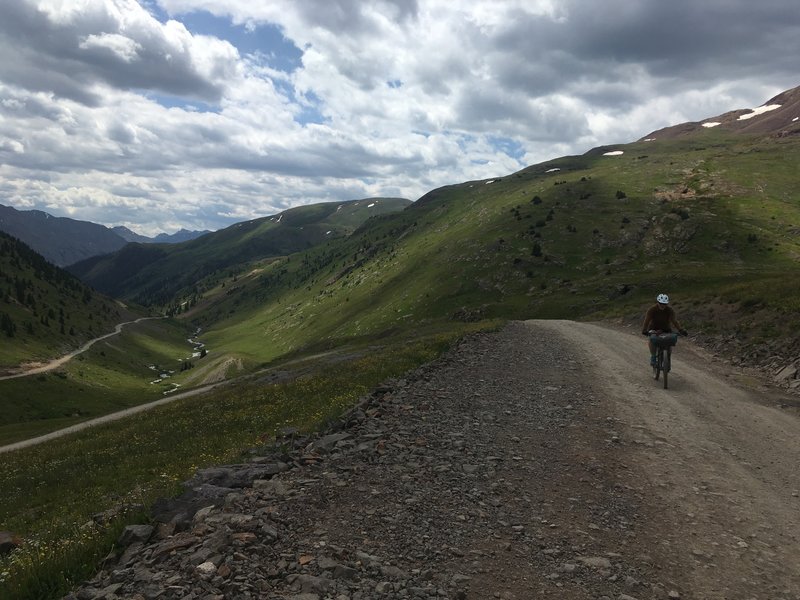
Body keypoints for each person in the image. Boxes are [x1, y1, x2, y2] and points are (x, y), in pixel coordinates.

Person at [641, 293, 688, 367]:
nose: (662, 305)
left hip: (666, 328)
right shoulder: (652, 309)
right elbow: (647, 320)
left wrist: (681, 330)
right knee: (652, 340)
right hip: (654, 328)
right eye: (661, 303)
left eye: (664, 304)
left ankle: (667, 359)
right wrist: (644, 330)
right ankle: (653, 357)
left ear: (667, 304)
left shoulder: (670, 310)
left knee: (669, 343)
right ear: (658, 302)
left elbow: (674, 321)